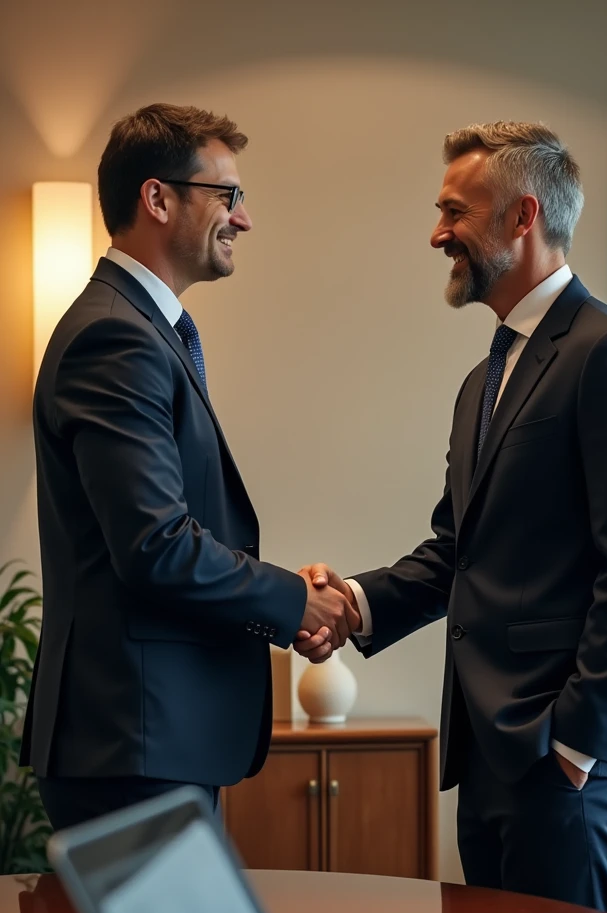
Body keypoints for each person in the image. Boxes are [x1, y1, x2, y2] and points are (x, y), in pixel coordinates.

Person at [295, 121, 607, 913]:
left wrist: (577, 745)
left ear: (522, 217)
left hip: (567, 761)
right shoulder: (483, 379)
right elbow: (457, 554)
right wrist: (354, 602)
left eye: (454, 212)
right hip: (491, 756)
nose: (437, 234)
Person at [21, 103, 358, 831]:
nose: (244, 219)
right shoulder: (115, 337)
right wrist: (293, 602)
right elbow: (155, 546)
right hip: (132, 747)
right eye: (228, 196)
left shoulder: (141, 331)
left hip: (151, 743)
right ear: (158, 197)